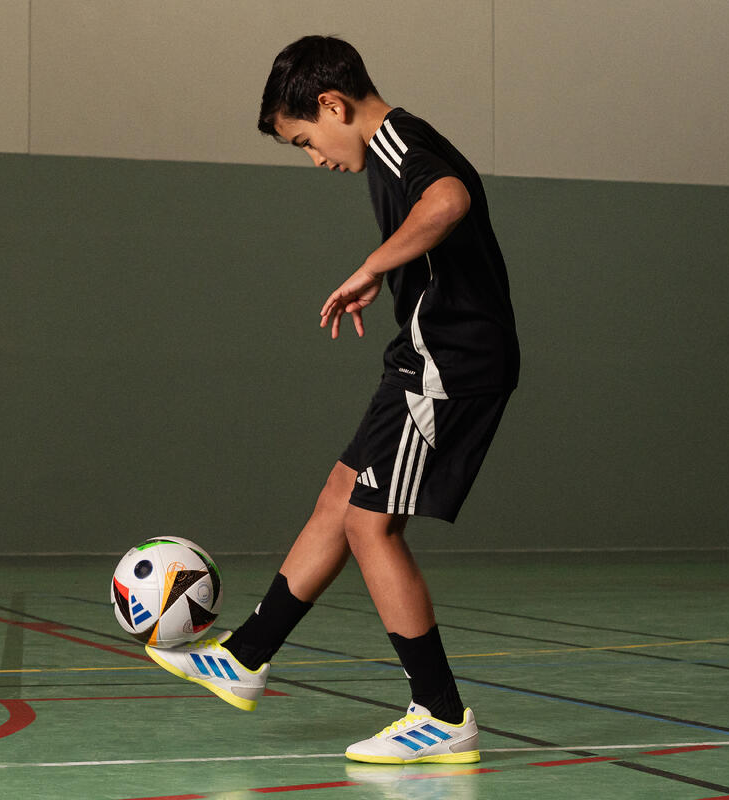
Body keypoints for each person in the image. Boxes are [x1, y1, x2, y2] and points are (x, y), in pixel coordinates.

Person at [145, 35, 519, 765]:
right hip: (417, 357)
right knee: (339, 494)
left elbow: (450, 200)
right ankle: (247, 656)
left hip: (451, 364)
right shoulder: (392, 149)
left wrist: (372, 264)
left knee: (370, 528)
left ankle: (440, 712)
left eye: (305, 141)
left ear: (332, 104)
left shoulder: (400, 144)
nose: (315, 158)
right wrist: (391, 271)